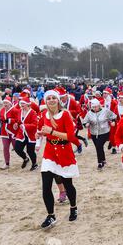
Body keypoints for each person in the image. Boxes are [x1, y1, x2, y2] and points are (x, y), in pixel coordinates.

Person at [38, 90, 79, 229]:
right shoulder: (44, 114)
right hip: (49, 152)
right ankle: (51, 215)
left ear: (58, 100)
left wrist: (51, 131)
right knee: (46, 186)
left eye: (53, 98)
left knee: (68, 184)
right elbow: (43, 131)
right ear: (45, 101)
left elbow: (71, 136)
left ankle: (73, 207)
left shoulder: (66, 114)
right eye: (48, 98)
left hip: (64, 152)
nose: (51, 100)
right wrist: (40, 134)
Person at [82, 98, 117, 170]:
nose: (94, 108)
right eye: (93, 107)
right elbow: (85, 121)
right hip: (94, 133)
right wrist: (86, 124)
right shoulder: (89, 113)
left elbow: (113, 116)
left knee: (98, 146)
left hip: (104, 132)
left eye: (96, 107)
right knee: (99, 147)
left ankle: (99, 163)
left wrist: (113, 121)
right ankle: (103, 160)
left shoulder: (105, 111)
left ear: (99, 106)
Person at [14, 97, 39, 171]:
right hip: (21, 134)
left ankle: (34, 164)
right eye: (21, 103)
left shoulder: (33, 113)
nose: (21, 105)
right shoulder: (19, 111)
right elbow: (18, 121)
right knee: (17, 148)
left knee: (30, 151)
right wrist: (16, 124)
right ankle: (25, 158)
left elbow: (35, 125)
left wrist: (25, 126)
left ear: (28, 104)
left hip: (31, 135)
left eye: (23, 103)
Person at [0, 96, 19, 170]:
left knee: (16, 148)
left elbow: (18, 120)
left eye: (6, 103)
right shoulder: (2, 110)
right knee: (5, 147)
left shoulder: (15, 110)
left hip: (13, 132)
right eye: (4, 103)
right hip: (4, 132)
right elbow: (1, 118)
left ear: (10, 103)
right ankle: (7, 163)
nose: (5, 104)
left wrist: (11, 120)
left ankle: (25, 158)